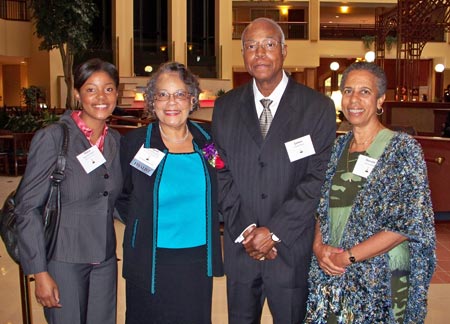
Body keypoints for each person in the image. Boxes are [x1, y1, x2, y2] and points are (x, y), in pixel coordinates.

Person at [212, 17, 336, 323]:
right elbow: (221, 171)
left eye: (268, 44)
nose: (260, 53)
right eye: (251, 46)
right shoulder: (225, 107)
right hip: (242, 248)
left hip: (290, 249)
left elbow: (318, 176)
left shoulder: (317, 107)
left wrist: (274, 232)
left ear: (284, 50)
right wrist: (248, 231)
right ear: (242, 54)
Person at [305, 62, 436, 323]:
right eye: (348, 90)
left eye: (364, 92)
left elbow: (405, 225)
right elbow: (323, 207)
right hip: (333, 270)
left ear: (380, 100)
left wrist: (348, 257)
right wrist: (319, 248)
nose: (354, 99)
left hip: (380, 277)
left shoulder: (402, 150)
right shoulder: (338, 147)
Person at [15, 58, 123, 324]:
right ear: (77, 94)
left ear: (117, 93)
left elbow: (115, 199)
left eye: (108, 89)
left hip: (105, 260)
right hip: (63, 261)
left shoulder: (115, 141)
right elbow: (27, 208)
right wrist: (39, 272)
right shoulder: (54, 137)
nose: (101, 97)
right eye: (91, 89)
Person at [116, 61, 223, 324]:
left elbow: (221, 180)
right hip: (150, 257)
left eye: (179, 94)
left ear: (193, 99)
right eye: (162, 95)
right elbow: (120, 195)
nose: (171, 102)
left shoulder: (207, 140)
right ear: (152, 102)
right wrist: (143, 223)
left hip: (197, 259)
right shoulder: (136, 142)